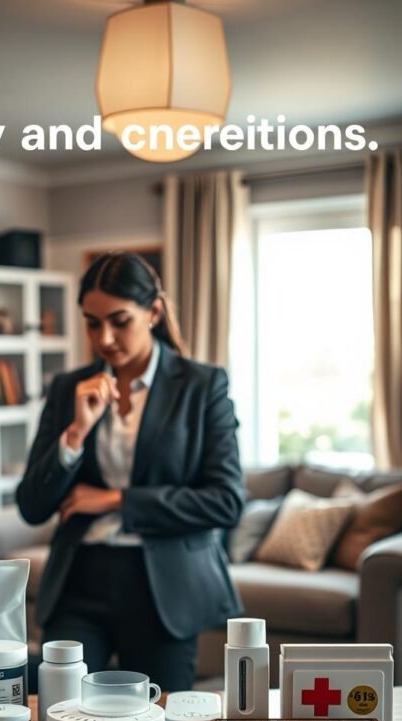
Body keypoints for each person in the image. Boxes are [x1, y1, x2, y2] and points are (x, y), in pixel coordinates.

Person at [16, 252, 244, 690]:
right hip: (78, 580)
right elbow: (31, 505)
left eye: (120, 321)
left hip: (163, 588)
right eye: (92, 322)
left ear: (153, 312)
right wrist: (76, 434)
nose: (105, 338)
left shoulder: (202, 386)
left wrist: (115, 500)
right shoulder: (69, 389)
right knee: (64, 716)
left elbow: (227, 500)